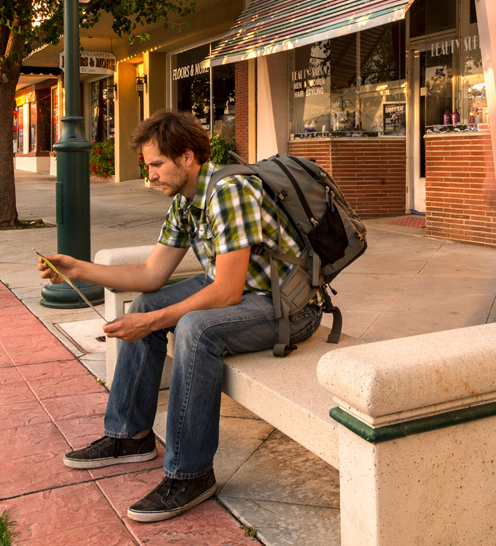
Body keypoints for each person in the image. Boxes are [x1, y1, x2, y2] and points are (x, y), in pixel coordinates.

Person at [38, 109, 322, 521]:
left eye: (156, 164)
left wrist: (151, 324)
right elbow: (151, 274)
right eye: (148, 165)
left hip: (287, 307)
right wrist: (78, 270)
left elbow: (224, 291)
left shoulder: (229, 192)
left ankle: (191, 473)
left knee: (194, 328)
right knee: (148, 303)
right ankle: (129, 436)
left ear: (187, 158)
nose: (150, 175)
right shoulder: (187, 202)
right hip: (246, 293)